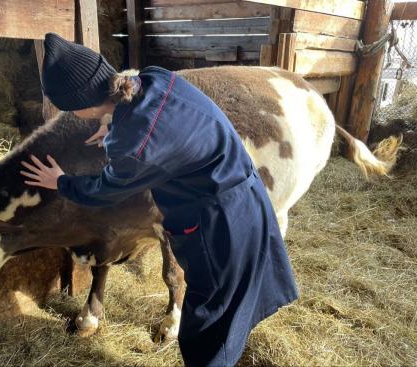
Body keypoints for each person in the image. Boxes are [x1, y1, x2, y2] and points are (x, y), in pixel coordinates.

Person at [21, 33, 298, 367]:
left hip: (219, 227)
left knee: (207, 331)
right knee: (229, 309)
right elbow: (168, 125)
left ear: (81, 107)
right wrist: (112, 127)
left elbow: (106, 190)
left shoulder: (133, 144)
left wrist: (61, 182)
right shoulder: (153, 78)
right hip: (246, 198)